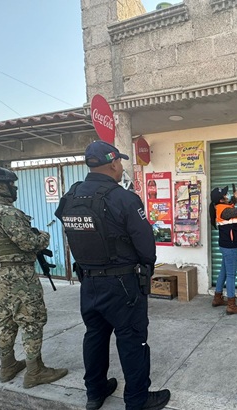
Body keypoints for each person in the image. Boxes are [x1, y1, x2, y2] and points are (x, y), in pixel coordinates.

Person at [55, 140, 170, 410]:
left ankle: (95, 393)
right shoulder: (123, 198)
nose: (120, 167)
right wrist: (145, 270)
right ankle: (137, 400)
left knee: (95, 336)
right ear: (114, 163)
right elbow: (145, 245)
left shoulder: (71, 196)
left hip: (89, 281)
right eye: (119, 162)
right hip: (122, 283)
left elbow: (70, 227)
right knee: (131, 339)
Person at [0, 167, 68, 388]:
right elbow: (29, 243)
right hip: (16, 275)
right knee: (31, 320)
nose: (14, 188)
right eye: (10, 184)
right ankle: (35, 371)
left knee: (6, 318)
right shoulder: (6, 212)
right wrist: (43, 236)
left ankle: (8, 366)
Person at [209, 174, 237, 314]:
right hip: (230, 247)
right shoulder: (226, 211)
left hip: (226, 246)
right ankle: (231, 305)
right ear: (221, 199)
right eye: (225, 194)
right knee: (231, 275)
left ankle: (217, 298)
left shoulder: (223, 206)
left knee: (224, 271)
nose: (227, 195)